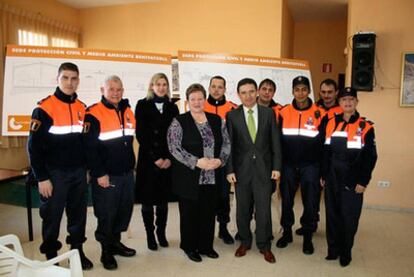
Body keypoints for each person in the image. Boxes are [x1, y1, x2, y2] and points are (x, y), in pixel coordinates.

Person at [28, 62, 93, 270]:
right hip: (53, 174)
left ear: (78, 81)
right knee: (51, 217)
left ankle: (77, 252)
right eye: (65, 78)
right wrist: (42, 177)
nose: (69, 82)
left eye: (74, 78)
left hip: (78, 173)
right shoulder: (44, 109)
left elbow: (85, 143)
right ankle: (51, 256)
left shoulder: (82, 108)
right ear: (57, 79)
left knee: (78, 216)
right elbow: (33, 147)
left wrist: (87, 170)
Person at [167, 83, 230, 263]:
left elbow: (226, 143)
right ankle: (189, 247)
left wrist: (220, 161)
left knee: (208, 212)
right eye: (193, 99)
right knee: (189, 214)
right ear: (187, 102)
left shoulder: (217, 120)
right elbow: (174, 148)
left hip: (212, 177)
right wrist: (196, 162)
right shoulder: (178, 121)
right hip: (189, 178)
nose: (196, 102)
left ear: (205, 100)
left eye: (200, 98)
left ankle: (206, 246)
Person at [83, 75, 136, 270]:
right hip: (107, 175)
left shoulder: (128, 111)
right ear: (102, 90)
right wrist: (99, 173)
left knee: (123, 212)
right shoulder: (93, 113)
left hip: (127, 173)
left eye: (119, 89)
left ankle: (115, 243)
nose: (115, 93)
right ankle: (106, 251)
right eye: (111, 89)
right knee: (106, 214)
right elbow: (89, 148)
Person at [226, 78, 281, 264]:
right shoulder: (232, 116)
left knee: (264, 209)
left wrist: (276, 167)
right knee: (242, 209)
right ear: (238, 95)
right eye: (243, 92)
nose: (248, 96)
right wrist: (230, 169)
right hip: (241, 171)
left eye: (251, 91)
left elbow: (275, 143)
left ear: (257, 92)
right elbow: (230, 146)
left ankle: (264, 245)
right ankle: (245, 241)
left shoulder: (268, 113)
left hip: (264, 171)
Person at [321, 87, 377, 267]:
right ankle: (333, 250)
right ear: (339, 103)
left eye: (351, 100)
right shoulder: (330, 123)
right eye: (344, 100)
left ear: (356, 103)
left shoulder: (366, 126)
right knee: (332, 215)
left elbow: (371, 157)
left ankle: (346, 252)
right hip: (332, 178)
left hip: (352, 180)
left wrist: (363, 181)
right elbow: (325, 151)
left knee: (349, 218)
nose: (347, 103)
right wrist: (323, 174)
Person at [276, 76, 325, 255]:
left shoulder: (320, 113)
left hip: (311, 166)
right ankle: (287, 233)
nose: (301, 93)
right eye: (297, 89)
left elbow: (323, 145)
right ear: (292, 91)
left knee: (310, 202)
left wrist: (322, 170)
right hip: (288, 165)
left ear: (309, 91)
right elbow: (278, 141)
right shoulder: (284, 112)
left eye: (304, 89)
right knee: (287, 201)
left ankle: (307, 237)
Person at [135, 73, 179, 251]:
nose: (161, 87)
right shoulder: (142, 105)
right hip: (148, 160)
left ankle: (161, 233)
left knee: (162, 200)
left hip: (167, 161)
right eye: (157, 84)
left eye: (164, 84)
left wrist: (168, 158)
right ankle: (150, 235)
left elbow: (175, 136)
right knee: (147, 200)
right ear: (151, 86)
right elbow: (141, 135)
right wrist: (156, 158)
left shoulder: (172, 107)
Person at [296, 78, 342, 237]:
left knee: (333, 197)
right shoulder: (315, 109)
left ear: (336, 92)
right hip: (315, 159)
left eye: (330, 92)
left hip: (334, 158)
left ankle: (335, 229)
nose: (327, 95)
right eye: (323, 92)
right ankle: (310, 223)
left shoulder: (342, 110)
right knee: (312, 196)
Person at [204, 75, 237, 245]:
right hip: (205, 162)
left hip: (224, 161)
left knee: (224, 197)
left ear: (225, 89)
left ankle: (223, 229)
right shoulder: (200, 105)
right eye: (213, 86)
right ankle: (206, 229)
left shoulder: (233, 109)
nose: (216, 90)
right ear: (209, 88)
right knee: (207, 196)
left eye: (220, 87)